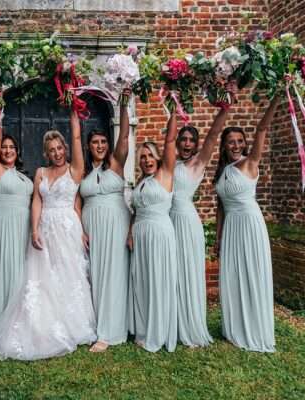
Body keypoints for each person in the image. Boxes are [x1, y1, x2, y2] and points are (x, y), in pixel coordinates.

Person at [0, 109, 96, 360]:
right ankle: (42, 326)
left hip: (68, 228)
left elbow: (77, 139)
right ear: (46, 153)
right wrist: (35, 229)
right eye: (52, 150)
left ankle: (74, 325)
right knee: (43, 278)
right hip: (45, 230)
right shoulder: (40, 172)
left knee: (69, 275)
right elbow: (36, 202)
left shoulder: (75, 170)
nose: (57, 153)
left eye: (60, 148)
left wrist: (74, 115)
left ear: (65, 148)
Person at [214, 95, 281, 352]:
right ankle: (235, 327)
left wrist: (275, 99)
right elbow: (220, 207)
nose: (236, 145)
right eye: (231, 141)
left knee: (252, 273)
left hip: (250, 224)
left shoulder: (250, 162)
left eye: (240, 141)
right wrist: (218, 238)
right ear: (224, 145)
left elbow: (262, 128)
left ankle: (256, 328)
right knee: (233, 276)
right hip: (231, 228)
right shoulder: (222, 171)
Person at [170, 105, 230, 347]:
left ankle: (190, 324)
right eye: (182, 139)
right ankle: (170, 323)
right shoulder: (168, 163)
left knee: (188, 272)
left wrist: (225, 108)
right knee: (171, 274)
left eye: (190, 140)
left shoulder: (197, 163)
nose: (186, 143)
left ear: (195, 145)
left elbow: (214, 135)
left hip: (186, 222)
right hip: (167, 222)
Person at [79, 88, 132, 352]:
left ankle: (110, 331)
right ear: (88, 147)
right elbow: (75, 204)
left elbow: (124, 135)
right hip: (91, 225)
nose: (100, 146)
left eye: (103, 142)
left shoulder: (116, 166)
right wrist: (80, 230)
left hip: (115, 222)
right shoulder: (84, 173)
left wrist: (123, 103)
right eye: (95, 143)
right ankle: (93, 324)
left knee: (114, 273)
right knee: (94, 275)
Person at [129, 112, 179, 352]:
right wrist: (130, 233)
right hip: (140, 235)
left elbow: (170, 141)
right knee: (143, 280)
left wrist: (173, 104)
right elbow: (134, 212)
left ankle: (159, 330)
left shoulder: (165, 174)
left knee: (158, 279)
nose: (147, 160)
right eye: (142, 157)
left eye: (150, 155)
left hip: (159, 233)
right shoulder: (140, 183)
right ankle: (144, 327)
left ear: (159, 158)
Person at [0, 88, 34, 324]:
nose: (7, 150)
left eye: (11, 147)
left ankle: (26, 321)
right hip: (5, 223)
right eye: (4, 147)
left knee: (27, 270)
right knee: (9, 268)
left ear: (17, 151)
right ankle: (7, 322)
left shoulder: (23, 176)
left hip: (26, 225)